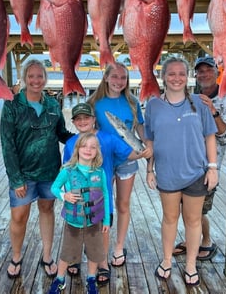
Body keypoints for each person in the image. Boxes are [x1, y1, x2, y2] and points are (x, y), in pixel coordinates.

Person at [144, 56, 218, 286]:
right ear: (163, 77)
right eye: (172, 73)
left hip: (196, 172)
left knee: (193, 220)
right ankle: (166, 260)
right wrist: (149, 169)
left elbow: (210, 136)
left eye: (181, 74)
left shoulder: (200, 102)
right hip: (167, 173)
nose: (177, 78)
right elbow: (150, 141)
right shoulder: (153, 105)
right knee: (169, 219)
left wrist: (212, 168)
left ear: (188, 77)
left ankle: (190, 264)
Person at [63, 102, 152, 284]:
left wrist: (143, 153)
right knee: (76, 230)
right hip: (77, 198)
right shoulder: (71, 143)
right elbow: (66, 169)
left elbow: (129, 153)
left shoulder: (108, 139)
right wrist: (66, 194)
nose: (82, 122)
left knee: (101, 231)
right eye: (78, 119)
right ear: (73, 122)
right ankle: (75, 258)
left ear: (94, 120)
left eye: (86, 118)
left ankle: (102, 263)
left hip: (101, 199)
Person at [0, 59, 74, 279]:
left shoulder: (52, 105)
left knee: (47, 210)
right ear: (24, 78)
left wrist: (82, 139)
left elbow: (61, 133)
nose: (35, 80)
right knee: (19, 216)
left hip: (50, 171)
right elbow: (7, 143)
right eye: (31, 76)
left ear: (45, 79)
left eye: (39, 76)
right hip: (23, 174)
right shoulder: (12, 104)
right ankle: (16, 256)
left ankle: (48, 256)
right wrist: (16, 178)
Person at [172, 56, 226, 261]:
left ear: (217, 72)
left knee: (198, 210)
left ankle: (206, 242)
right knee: (185, 207)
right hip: (187, 162)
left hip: (208, 166)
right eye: (200, 71)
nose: (204, 74)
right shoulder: (191, 98)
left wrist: (212, 111)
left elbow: (225, 135)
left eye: (208, 70)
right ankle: (193, 240)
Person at [87, 62, 147, 268]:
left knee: (123, 204)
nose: (118, 81)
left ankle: (119, 246)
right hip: (102, 161)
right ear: (105, 78)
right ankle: (99, 247)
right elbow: (87, 130)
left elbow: (139, 127)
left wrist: (147, 149)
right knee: (101, 206)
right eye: (114, 77)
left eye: (123, 78)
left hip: (128, 160)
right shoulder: (94, 102)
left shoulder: (132, 101)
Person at [48, 133, 110, 294]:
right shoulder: (67, 171)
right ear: (77, 149)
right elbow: (54, 188)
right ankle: (60, 280)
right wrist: (64, 195)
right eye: (84, 146)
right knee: (67, 254)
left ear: (97, 151)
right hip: (73, 223)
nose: (88, 150)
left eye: (92, 147)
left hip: (94, 223)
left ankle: (91, 279)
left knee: (94, 253)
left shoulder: (100, 172)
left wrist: (106, 220)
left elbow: (106, 194)